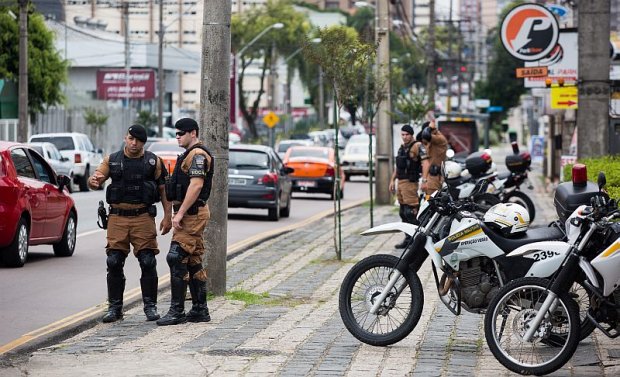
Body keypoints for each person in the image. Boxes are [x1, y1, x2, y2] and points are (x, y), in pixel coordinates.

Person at [88, 124, 172, 323]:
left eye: (139, 140)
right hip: (117, 218)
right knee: (114, 261)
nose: (134, 144)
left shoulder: (153, 161)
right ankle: (115, 308)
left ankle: (150, 307)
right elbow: (96, 179)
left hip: (143, 217)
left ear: (144, 142)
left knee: (148, 261)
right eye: (131, 139)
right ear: (125, 138)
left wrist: (168, 216)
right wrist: (93, 181)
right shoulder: (113, 160)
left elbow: (164, 191)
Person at [157, 118, 214, 326]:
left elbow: (196, 185)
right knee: (193, 260)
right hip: (190, 212)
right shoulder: (189, 155)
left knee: (176, 257)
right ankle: (200, 309)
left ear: (193, 133)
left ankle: (177, 311)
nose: (178, 136)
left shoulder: (198, 155)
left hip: (192, 213)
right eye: (176, 133)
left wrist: (179, 214)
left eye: (181, 133)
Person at [389, 124, 424, 249]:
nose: (404, 137)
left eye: (407, 134)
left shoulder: (417, 146)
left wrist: (424, 180)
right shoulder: (402, 147)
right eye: (402, 135)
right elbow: (398, 167)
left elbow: (425, 163)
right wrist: (392, 180)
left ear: (412, 134)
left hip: (410, 183)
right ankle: (408, 239)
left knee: (411, 212)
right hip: (401, 182)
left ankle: (417, 240)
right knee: (403, 212)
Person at [419, 121, 448, 195]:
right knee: (428, 201)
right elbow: (420, 137)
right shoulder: (433, 140)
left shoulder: (439, 139)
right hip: (431, 177)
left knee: (430, 202)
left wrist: (430, 127)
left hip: (434, 178)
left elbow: (426, 136)